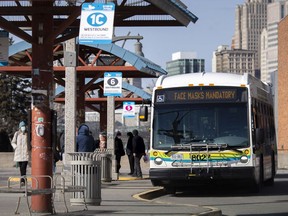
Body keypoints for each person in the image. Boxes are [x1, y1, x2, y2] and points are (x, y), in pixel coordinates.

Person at [11, 121, 31, 186]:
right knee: (21, 168)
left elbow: (30, 142)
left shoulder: (28, 134)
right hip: (19, 153)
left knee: (23, 167)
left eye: (24, 126)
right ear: (20, 127)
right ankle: (24, 179)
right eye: (22, 126)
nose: (23, 127)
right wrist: (15, 147)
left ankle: (22, 180)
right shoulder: (17, 134)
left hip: (25, 153)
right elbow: (13, 142)